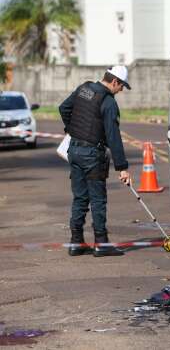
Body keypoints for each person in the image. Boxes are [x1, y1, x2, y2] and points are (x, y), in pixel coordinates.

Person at [59, 66, 131, 257]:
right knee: (98, 199)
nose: (121, 90)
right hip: (92, 155)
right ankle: (101, 244)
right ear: (114, 81)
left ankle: (76, 242)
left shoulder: (85, 88)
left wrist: (71, 129)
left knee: (80, 197)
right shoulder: (108, 102)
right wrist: (122, 167)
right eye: (122, 86)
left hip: (73, 151)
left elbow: (64, 108)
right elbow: (113, 136)